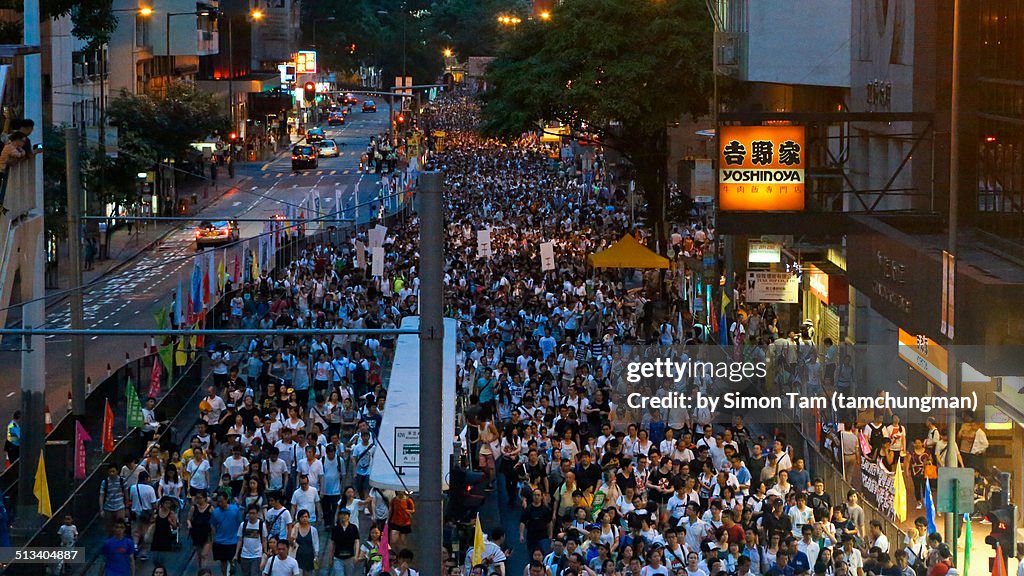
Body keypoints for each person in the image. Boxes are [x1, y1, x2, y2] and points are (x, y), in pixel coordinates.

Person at [210, 491, 244, 576]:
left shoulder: (235, 509)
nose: (220, 503)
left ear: (226, 500)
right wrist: (214, 537)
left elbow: (240, 523)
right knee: (223, 562)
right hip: (220, 541)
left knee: (233, 561)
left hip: (233, 541)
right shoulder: (215, 512)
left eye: (221, 501)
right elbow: (213, 525)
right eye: (218, 501)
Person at [326, 508, 361, 576]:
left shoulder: (353, 528)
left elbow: (357, 542)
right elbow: (332, 543)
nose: (343, 516)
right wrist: (330, 557)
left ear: (348, 516)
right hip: (338, 558)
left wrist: (356, 555)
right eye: (341, 514)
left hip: (350, 557)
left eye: (345, 514)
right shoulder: (335, 529)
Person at [236, 504, 268, 576]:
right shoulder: (243, 525)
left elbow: (264, 539)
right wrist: (236, 554)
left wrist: (265, 551)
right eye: (250, 513)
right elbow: (240, 540)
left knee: (255, 573)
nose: (251, 515)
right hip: (244, 555)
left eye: (253, 513)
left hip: (257, 555)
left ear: (257, 514)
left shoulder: (261, 525)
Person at [149, 497, 179, 570]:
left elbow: (175, 527)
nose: (168, 505)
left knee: (163, 560)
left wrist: (170, 522)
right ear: (162, 503)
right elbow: (151, 521)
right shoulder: (157, 512)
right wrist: (154, 519)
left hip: (166, 538)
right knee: (155, 559)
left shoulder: (171, 514)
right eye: (166, 503)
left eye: (169, 503)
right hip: (156, 537)